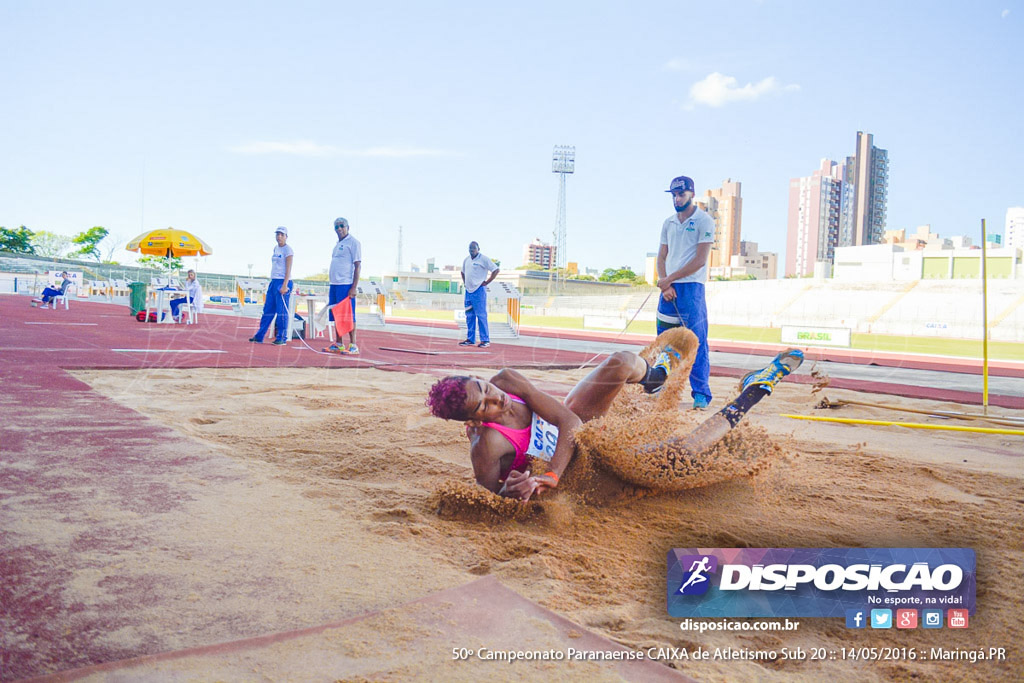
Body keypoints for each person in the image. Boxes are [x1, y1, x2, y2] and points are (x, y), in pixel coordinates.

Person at [426, 330, 804, 501]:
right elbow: (490, 498)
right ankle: (756, 390)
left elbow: (570, 421)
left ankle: (654, 375)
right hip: (586, 466)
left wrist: (549, 473)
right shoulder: (486, 448)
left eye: (485, 386)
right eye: (486, 405)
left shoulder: (506, 381)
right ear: (474, 422)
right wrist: (514, 492)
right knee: (681, 452)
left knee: (621, 362)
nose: (497, 399)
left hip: (577, 426)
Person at [656, 174, 716, 410]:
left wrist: (669, 280)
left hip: (691, 288)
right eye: (674, 195)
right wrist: (665, 283)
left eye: (681, 194)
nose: (677, 198)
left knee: (696, 342)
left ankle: (701, 394)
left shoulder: (704, 221)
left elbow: (700, 260)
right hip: (668, 290)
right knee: (664, 341)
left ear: (691, 194)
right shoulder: (668, 222)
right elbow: (661, 256)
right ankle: (660, 387)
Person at [249, 227, 294, 346]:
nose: (279, 236)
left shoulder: (288, 250)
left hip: (283, 282)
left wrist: (285, 285)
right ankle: (260, 335)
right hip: (273, 281)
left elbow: (288, 268)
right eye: (277, 234)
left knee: (281, 311)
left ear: (286, 237)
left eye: (281, 234)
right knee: (268, 310)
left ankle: (282, 337)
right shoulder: (276, 248)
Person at [325, 217, 362, 355]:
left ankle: (353, 344)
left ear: (348, 227)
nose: (339, 229)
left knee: (348, 315)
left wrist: (354, 287)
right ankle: (339, 343)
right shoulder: (337, 245)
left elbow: (357, 266)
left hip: (345, 284)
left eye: (342, 226)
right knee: (336, 314)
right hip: (334, 284)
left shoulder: (353, 243)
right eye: (336, 227)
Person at [459, 241, 499, 348]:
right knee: (469, 316)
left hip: (479, 291)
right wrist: (465, 283)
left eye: (473, 248)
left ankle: (485, 340)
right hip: (468, 291)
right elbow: (462, 272)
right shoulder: (466, 260)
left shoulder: (484, 259)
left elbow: (495, 269)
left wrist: (487, 282)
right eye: (470, 249)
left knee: (481, 316)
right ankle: (470, 339)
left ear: (478, 249)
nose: (471, 250)